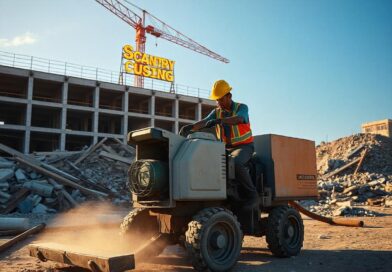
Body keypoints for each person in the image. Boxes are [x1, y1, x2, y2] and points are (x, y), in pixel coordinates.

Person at [180, 80, 258, 209]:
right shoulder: (216, 112)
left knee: (236, 162)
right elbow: (204, 122)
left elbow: (239, 119)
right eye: (216, 100)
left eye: (221, 99)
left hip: (244, 147)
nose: (218, 103)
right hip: (224, 148)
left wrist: (219, 121)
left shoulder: (242, 108)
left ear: (229, 96)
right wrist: (191, 127)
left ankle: (253, 196)